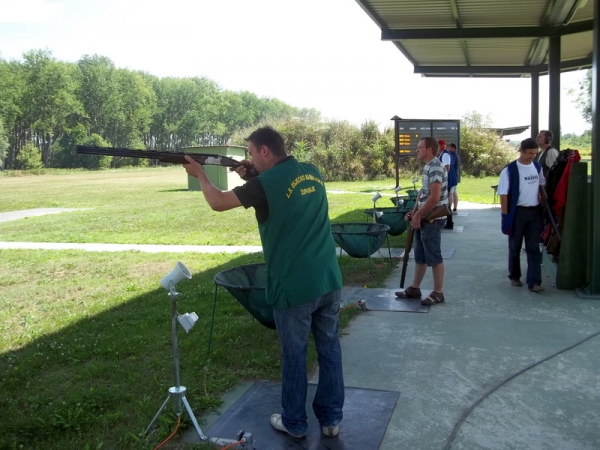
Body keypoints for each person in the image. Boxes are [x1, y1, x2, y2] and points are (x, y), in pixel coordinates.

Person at [183, 126, 344, 439]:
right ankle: (331, 419)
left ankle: (294, 423)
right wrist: (252, 178)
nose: (251, 158)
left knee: (295, 356)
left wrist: (200, 174)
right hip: (328, 278)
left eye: (252, 153)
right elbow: (284, 196)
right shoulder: (312, 172)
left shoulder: (265, 184)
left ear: (265, 151)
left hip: (294, 286)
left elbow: (217, 202)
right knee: (329, 350)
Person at [395, 137, 448, 306]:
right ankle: (414, 289)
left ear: (430, 150)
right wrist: (415, 210)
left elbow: (434, 197)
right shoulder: (428, 166)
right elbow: (423, 193)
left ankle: (438, 293)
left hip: (432, 218)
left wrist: (419, 215)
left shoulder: (435, 168)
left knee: (434, 256)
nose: (417, 150)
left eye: (420, 147)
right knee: (420, 256)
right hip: (425, 216)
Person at [497, 137, 546, 292]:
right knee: (515, 246)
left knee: (533, 247)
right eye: (529, 153)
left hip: (535, 212)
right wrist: (505, 216)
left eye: (534, 153)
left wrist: (543, 198)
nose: (532, 156)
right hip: (517, 213)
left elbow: (542, 185)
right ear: (521, 151)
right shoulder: (509, 170)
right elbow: (503, 194)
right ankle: (515, 276)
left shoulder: (537, 167)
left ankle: (534, 282)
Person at [437, 139, 454, 229]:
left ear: (441, 146)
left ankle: (449, 222)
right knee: (446, 203)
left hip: (446, 181)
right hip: (446, 181)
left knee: (445, 203)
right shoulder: (443, 154)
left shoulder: (445, 154)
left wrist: (442, 180)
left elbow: (447, 168)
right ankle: (449, 222)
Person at [448, 143, 460, 212]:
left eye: (450, 148)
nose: (449, 149)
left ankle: (450, 208)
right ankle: (455, 207)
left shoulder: (453, 156)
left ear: (453, 148)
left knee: (451, 193)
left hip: (453, 177)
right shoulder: (455, 155)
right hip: (455, 176)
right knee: (454, 192)